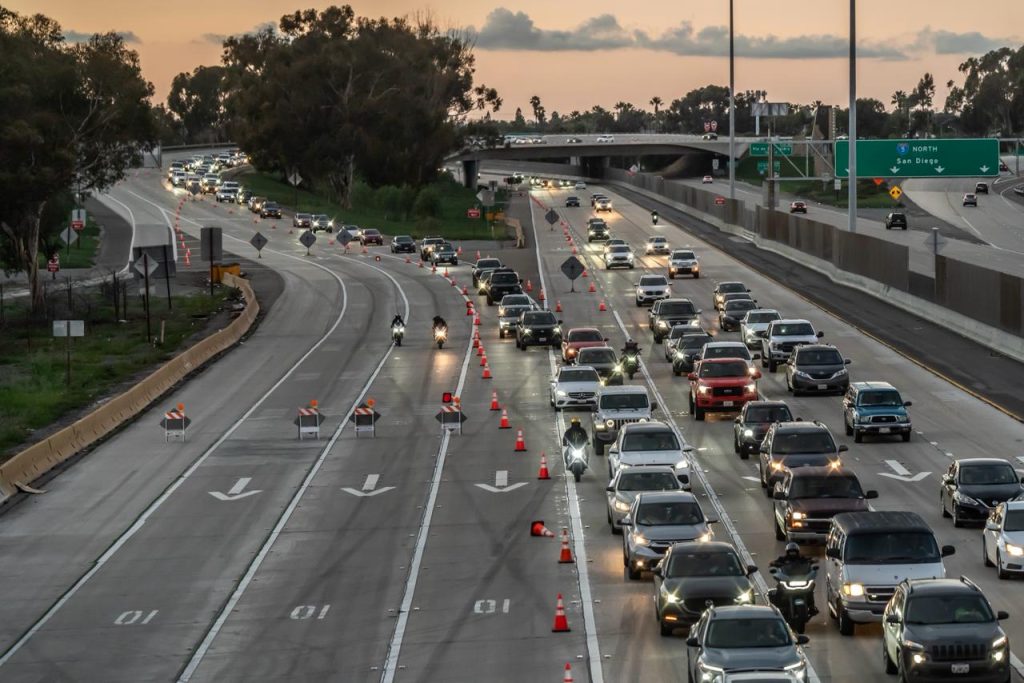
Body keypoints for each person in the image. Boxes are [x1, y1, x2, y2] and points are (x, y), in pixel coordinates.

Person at [770, 542, 817, 615]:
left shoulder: (802, 559)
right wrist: (773, 564)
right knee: (779, 588)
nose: (792, 553)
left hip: (801, 580)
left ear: (797, 552)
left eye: (794, 551)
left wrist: (813, 561)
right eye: (791, 552)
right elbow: (775, 563)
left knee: (811, 588)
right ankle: (777, 609)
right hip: (788, 581)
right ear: (787, 552)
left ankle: (812, 607)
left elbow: (809, 561)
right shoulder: (782, 559)